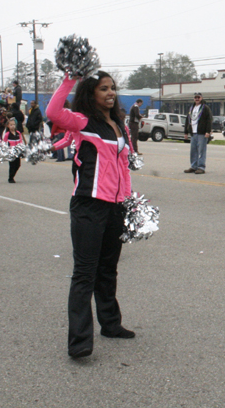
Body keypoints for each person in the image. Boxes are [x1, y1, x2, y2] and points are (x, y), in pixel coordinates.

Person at [46, 71, 136, 358]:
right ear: (90, 93)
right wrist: (69, 79)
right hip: (89, 204)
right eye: (103, 89)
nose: (110, 93)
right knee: (85, 273)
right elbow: (52, 111)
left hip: (116, 206)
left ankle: (110, 324)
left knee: (108, 270)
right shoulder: (83, 122)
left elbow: (123, 167)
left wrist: (128, 202)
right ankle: (79, 341)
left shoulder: (119, 124)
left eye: (112, 88)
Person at [184, 92, 212, 174]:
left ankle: (201, 167)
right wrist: (186, 132)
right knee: (193, 151)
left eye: (198, 97)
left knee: (201, 151)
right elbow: (187, 120)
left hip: (202, 133)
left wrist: (207, 131)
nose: (197, 99)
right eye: (195, 97)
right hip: (193, 132)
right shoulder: (191, 108)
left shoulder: (205, 108)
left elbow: (209, 120)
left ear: (201, 98)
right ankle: (193, 166)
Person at [5, 118, 25, 183]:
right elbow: (4, 142)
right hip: (11, 152)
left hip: (17, 151)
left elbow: (20, 141)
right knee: (12, 165)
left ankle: (13, 175)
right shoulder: (7, 134)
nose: (13, 126)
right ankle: (10, 178)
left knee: (18, 165)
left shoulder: (18, 133)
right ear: (8, 126)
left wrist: (21, 148)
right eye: (11, 125)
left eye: (14, 124)